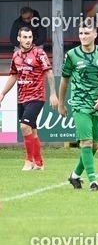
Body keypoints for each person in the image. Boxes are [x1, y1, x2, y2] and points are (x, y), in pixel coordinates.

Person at [59, 22, 98, 192]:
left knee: (96, 145)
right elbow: (64, 80)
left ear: (95, 35)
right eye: (81, 33)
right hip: (79, 103)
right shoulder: (72, 55)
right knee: (86, 142)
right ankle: (93, 181)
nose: (83, 36)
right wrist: (61, 102)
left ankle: (75, 175)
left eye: (87, 33)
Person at [1, 26, 59, 171]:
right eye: (25, 37)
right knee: (32, 131)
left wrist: (53, 93)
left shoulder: (39, 53)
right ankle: (39, 163)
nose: (28, 40)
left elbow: (49, 73)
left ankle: (29, 161)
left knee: (24, 126)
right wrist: (2, 94)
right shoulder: (16, 56)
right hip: (22, 97)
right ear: (19, 39)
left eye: (30, 37)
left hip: (37, 96)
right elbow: (14, 76)